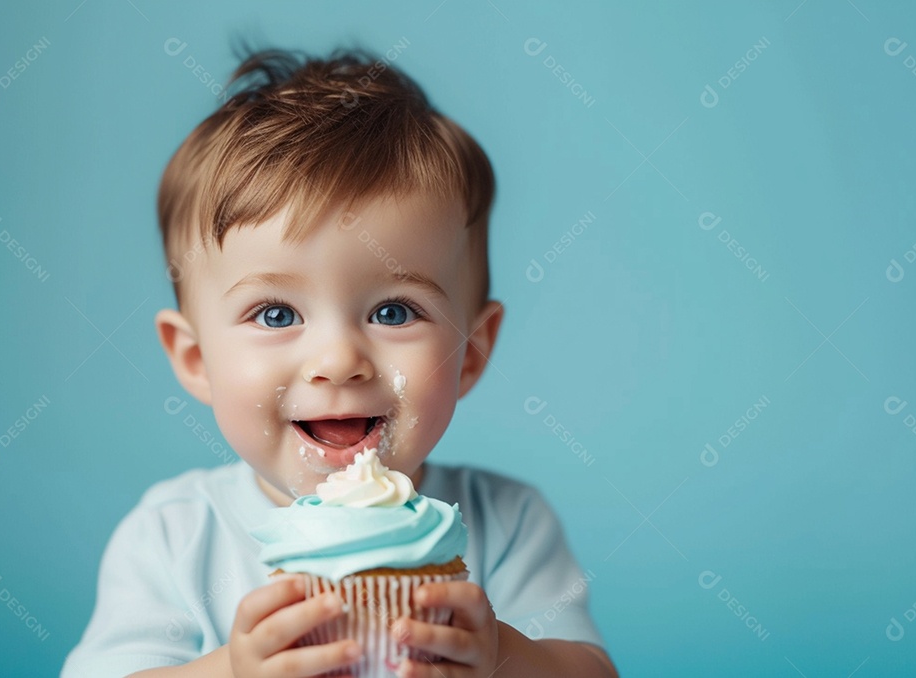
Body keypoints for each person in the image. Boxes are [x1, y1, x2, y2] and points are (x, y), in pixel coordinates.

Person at [62, 45, 617, 678]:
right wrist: (230, 672)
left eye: (393, 312)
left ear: (470, 354)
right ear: (195, 359)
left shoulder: (508, 521)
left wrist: (503, 656)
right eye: (276, 314)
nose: (338, 361)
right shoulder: (174, 536)